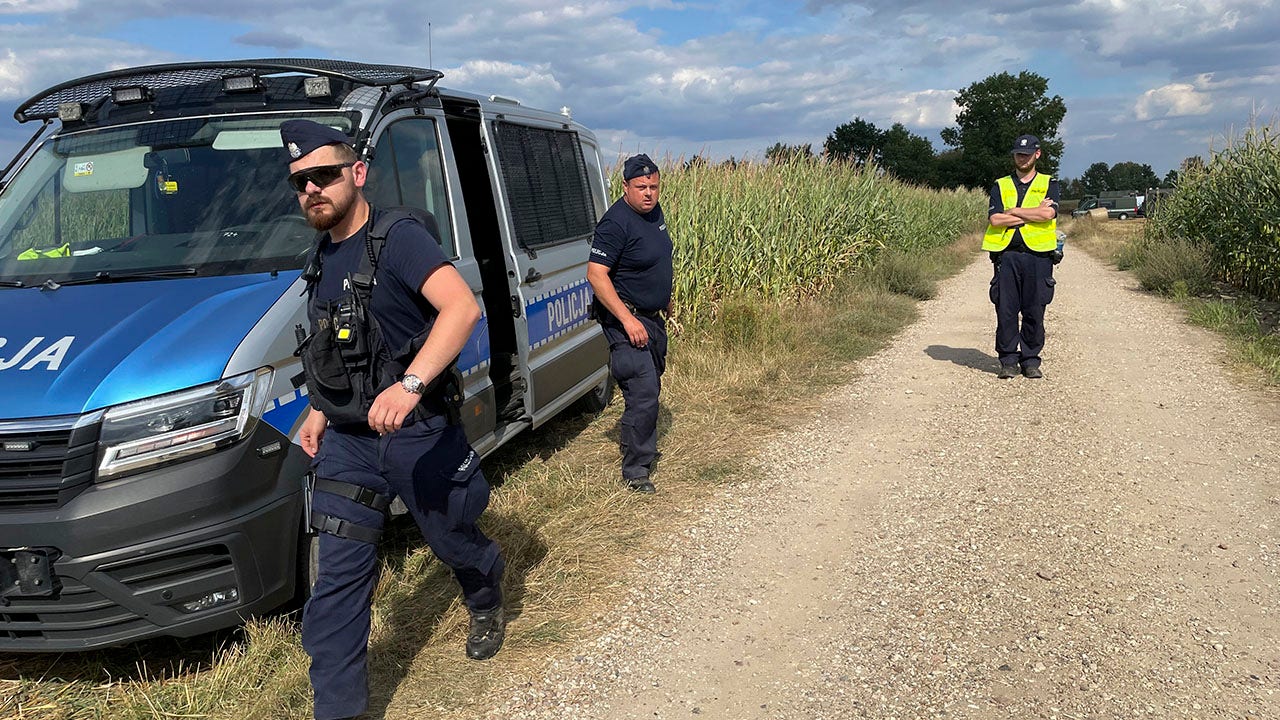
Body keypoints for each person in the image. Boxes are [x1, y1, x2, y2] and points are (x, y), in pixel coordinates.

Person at [282, 119, 506, 720]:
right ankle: (339, 709)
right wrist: (318, 410)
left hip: (417, 430)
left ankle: (485, 591)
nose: (312, 189)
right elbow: (340, 348)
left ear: (357, 173)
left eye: (324, 174)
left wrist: (410, 385)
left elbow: (461, 309)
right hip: (349, 443)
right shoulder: (321, 256)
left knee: (451, 537)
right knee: (337, 580)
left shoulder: (399, 238)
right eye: (300, 181)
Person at [587, 154, 674, 494]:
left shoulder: (654, 214)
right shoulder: (615, 223)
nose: (648, 193)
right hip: (626, 320)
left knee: (651, 385)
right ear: (625, 186)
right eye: (641, 187)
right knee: (643, 390)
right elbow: (596, 275)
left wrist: (665, 297)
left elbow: (657, 258)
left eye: (653, 186)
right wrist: (627, 319)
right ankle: (636, 470)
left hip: (651, 317)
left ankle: (636, 443)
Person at [983, 134, 1061, 379]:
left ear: (1037, 154)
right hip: (1006, 256)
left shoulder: (1049, 183)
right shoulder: (1000, 185)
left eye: (1027, 154)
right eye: (1018, 154)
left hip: (1039, 256)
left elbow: (1048, 215)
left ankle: (1030, 360)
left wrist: (1015, 211)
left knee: (1034, 310)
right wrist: (1032, 212)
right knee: (1006, 310)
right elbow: (996, 219)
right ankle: (1008, 360)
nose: (1022, 158)